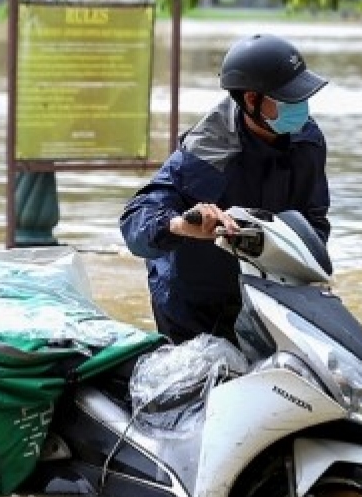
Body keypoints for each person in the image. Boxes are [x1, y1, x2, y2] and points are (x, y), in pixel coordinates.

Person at [120, 33, 331, 342]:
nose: (301, 106)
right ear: (251, 100)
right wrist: (180, 224)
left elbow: (314, 218)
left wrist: (308, 269)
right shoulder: (206, 153)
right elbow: (135, 221)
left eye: (302, 95)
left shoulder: (307, 139)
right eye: (289, 98)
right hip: (192, 303)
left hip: (267, 294)